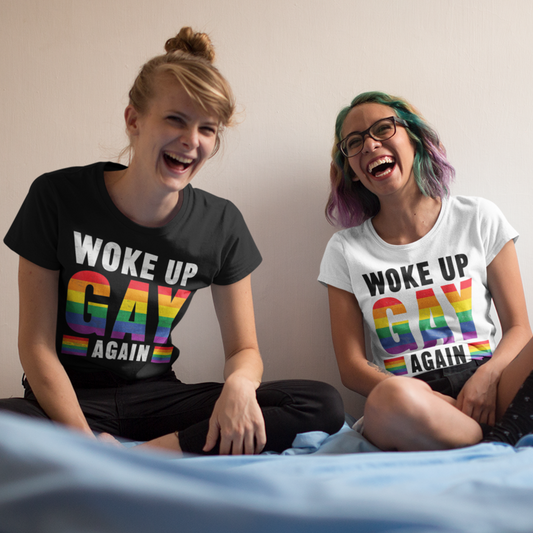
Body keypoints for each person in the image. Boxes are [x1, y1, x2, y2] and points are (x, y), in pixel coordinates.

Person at [0, 27, 344, 455]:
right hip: (66, 401)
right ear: (133, 120)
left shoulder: (221, 222)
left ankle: (151, 455)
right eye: (175, 120)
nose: (192, 141)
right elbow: (34, 346)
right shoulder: (57, 197)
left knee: (318, 402)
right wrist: (86, 444)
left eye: (207, 129)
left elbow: (244, 348)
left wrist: (240, 382)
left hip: (157, 402)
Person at [318, 90, 533, 451]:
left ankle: (487, 433)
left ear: (416, 140)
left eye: (383, 129)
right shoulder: (344, 250)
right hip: (410, 395)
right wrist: (422, 397)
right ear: (351, 171)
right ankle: (494, 438)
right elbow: (352, 366)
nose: (369, 145)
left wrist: (488, 376)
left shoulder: (478, 217)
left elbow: (518, 328)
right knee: (387, 401)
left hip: (491, 382)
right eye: (353, 143)